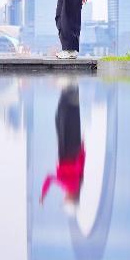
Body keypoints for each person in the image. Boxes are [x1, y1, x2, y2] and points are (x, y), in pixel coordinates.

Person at [40, 83, 85, 215]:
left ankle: (70, 89)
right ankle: (68, 89)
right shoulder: (71, 186)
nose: (64, 199)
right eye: (66, 201)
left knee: (66, 118)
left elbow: (82, 164)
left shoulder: (78, 185)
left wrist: (82, 148)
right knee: (63, 117)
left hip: (72, 149)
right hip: (67, 151)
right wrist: (43, 195)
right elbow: (49, 178)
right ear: (71, 199)